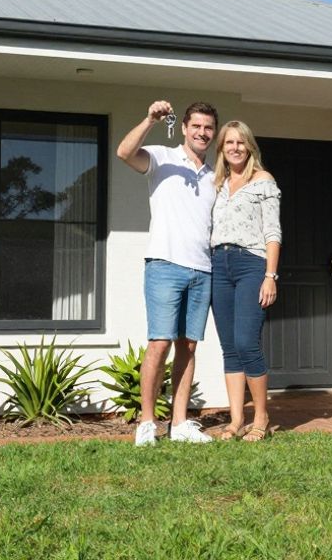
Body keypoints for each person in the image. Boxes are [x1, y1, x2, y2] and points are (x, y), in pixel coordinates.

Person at [116, 100, 219, 446]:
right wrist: (149, 119)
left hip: (202, 268)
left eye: (208, 128)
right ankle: (147, 422)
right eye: (197, 127)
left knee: (188, 346)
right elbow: (124, 152)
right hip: (164, 264)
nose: (202, 133)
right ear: (185, 128)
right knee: (159, 343)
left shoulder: (214, 175)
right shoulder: (162, 157)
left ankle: (179, 423)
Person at [209, 120, 282, 442]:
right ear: (222, 149)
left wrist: (270, 276)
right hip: (217, 264)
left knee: (246, 342)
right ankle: (236, 420)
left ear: (250, 146)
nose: (235, 148)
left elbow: (272, 232)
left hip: (251, 264)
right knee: (229, 348)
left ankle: (261, 418)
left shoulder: (263, 181)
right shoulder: (217, 184)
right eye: (229, 143)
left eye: (241, 142)